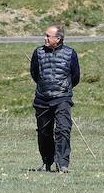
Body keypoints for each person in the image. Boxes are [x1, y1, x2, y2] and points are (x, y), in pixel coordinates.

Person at [30, 24, 80, 173]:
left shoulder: (71, 53)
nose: (45, 38)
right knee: (44, 132)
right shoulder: (38, 52)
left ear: (58, 38)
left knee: (63, 129)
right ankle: (47, 161)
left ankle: (62, 163)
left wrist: (64, 88)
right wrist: (45, 86)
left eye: (48, 36)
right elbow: (34, 73)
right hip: (42, 99)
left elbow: (75, 76)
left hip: (62, 98)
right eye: (45, 35)